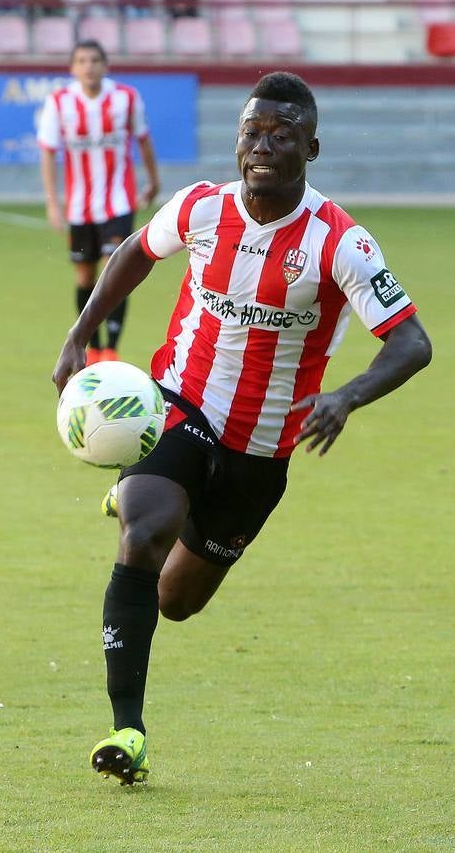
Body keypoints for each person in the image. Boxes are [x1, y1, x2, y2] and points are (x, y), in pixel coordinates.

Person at [50, 72, 433, 786]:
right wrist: (81, 333)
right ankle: (126, 729)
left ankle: (153, 499)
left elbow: (412, 341)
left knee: (176, 600)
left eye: (281, 135)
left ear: (310, 147)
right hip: (181, 405)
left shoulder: (339, 242)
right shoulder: (200, 207)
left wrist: (347, 396)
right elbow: (137, 248)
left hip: (263, 447)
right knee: (144, 532)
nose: (262, 147)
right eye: (251, 133)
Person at [38, 40, 159, 363]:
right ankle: (92, 346)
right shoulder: (59, 102)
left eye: (94, 60)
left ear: (105, 65)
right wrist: (53, 202)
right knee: (84, 277)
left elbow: (144, 141)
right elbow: (48, 153)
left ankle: (112, 348)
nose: (89, 66)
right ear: (72, 68)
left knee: (113, 270)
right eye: (82, 60)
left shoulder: (126, 98)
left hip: (118, 202)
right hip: (80, 207)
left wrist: (153, 181)